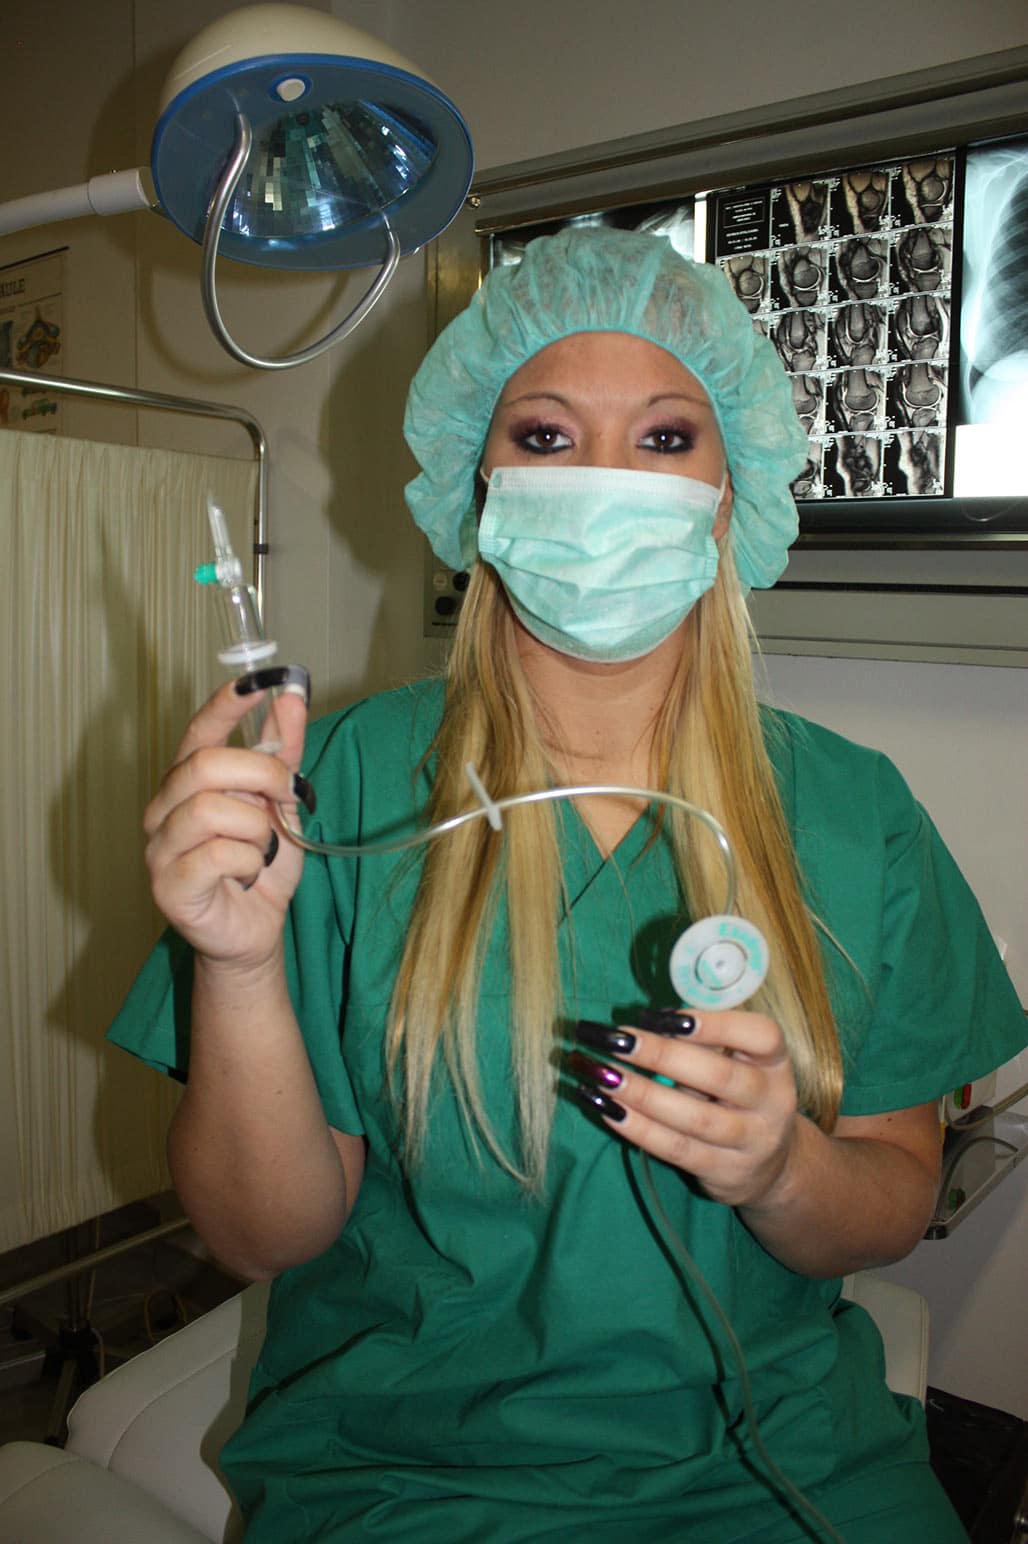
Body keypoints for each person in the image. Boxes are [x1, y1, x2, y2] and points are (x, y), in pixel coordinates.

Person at [109, 228, 1024, 1543]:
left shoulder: (853, 812)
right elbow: (264, 1241)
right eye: (545, 437)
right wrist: (240, 966)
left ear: (731, 494)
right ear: (478, 487)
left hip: (785, 1459)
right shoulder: (344, 789)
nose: (604, 482)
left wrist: (783, 1168)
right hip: (413, 1473)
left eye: (664, 439)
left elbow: (888, 1201)